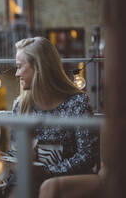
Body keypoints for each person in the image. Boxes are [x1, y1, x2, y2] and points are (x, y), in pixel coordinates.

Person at [8, 37, 100, 197]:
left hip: (68, 180)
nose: (16, 74)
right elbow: (16, 152)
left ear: (39, 68)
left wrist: (47, 171)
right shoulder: (20, 105)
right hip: (31, 179)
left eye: (19, 67)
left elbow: (87, 156)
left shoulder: (77, 103)